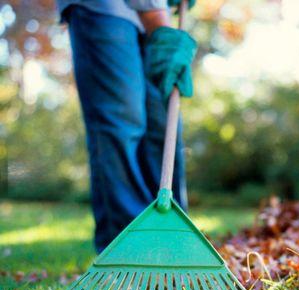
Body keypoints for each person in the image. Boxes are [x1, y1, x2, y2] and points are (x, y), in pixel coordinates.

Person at [56, 0, 197, 253]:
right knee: (121, 121)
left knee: (163, 125)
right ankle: (128, 249)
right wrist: (157, 18)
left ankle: (171, 246)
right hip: (104, 9)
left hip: (151, 15)